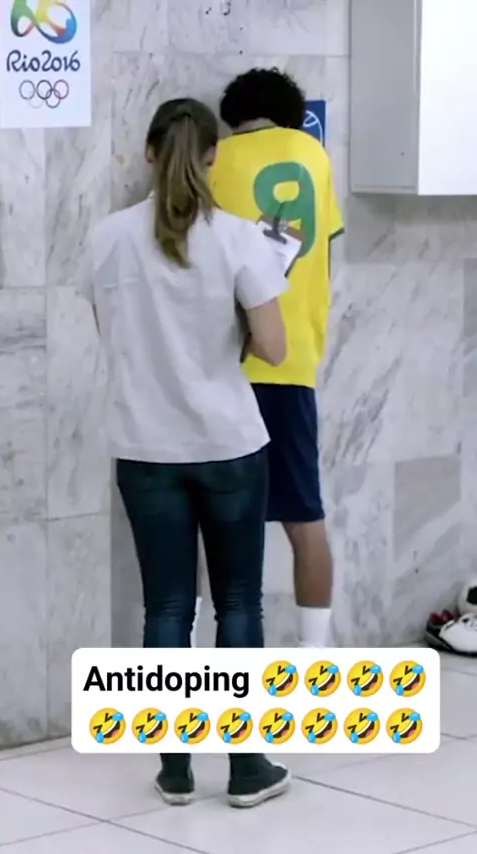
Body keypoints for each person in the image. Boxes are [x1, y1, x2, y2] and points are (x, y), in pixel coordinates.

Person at [84, 98, 290, 808]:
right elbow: (275, 348)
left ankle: (175, 768)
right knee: (238, 604)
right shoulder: (239, 239)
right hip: (230, 444)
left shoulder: (106, 237)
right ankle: (246, 767)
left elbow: (109, 332)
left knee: (167, 608)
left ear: (148, 153)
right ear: (212, 158)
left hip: (145, 448)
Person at [209, 68, 344, 649]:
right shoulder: (315, 156)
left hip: (227, 364)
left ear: (234, 116)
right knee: (305, 516)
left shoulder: (217, 160)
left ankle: (198, 658)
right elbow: (325, 249)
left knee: (209, 518)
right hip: (296, 360)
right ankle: (316, 658)